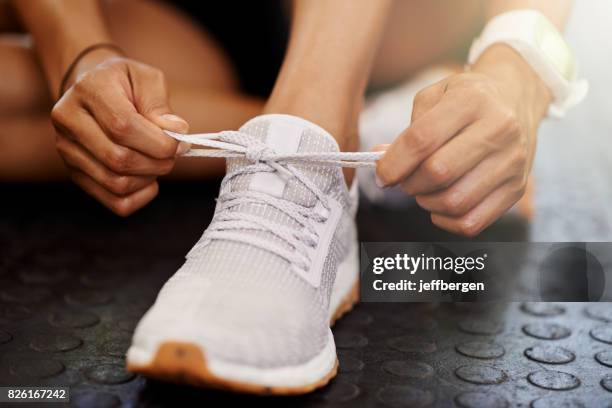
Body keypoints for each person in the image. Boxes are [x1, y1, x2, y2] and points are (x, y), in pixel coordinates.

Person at [1, 0, 581, 394]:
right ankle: (345, 132)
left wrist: (518, 68)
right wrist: (78, 55)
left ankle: (311, 131)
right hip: (200, 23)